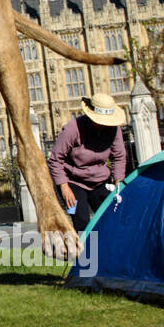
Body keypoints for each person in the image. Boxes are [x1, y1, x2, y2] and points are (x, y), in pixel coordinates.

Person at [48, 91, 127, 233]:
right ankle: (86, 254)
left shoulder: (114, 130)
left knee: (110, 217)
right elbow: (55, 159)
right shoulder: (73, 129)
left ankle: (107, 253)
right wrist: (64, 187)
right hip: (73, 182)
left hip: (99, 181)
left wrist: (118, 181)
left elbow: (119, 156)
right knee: (82, 223)